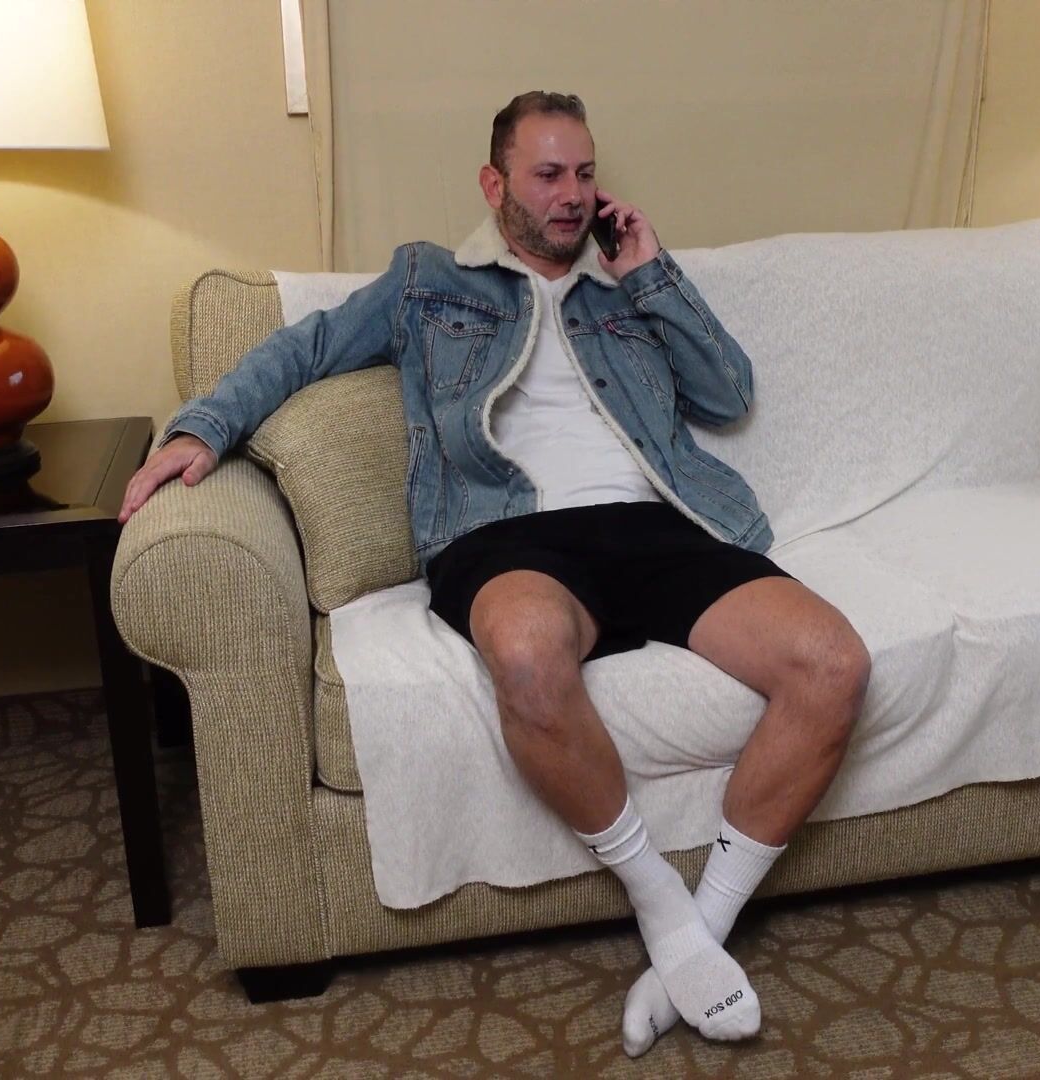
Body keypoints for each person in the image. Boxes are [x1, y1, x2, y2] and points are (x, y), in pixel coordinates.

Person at [119, 91, 870, 1056]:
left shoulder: (621, 288)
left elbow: (728, 394)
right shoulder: (428, 282)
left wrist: (651, 274)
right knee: (524, 653)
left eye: (585, 173)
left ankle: (699, 933)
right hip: (505, 532)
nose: (573, 194)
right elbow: (303, 350)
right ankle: (661, 904)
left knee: (834, 663)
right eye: (548, 174)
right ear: (494, 183)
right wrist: (201, 428)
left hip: (655, 525)